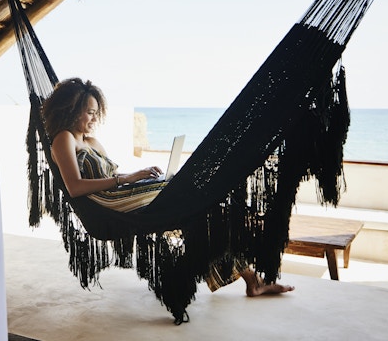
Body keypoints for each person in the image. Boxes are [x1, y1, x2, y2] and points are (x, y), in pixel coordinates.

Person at [41, 77, 294, 297]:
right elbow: (74, 187)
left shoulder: (91, 141)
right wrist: (126, 180)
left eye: (97, 112)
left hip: (119, 195)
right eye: (89, 112)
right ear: (72, 110)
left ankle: (253, 281)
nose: (95, 118)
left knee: (200, 212)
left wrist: (137, 175)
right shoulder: (64, 138)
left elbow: (115, 175)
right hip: (107, 205)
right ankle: (253, 275)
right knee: (193, 198)